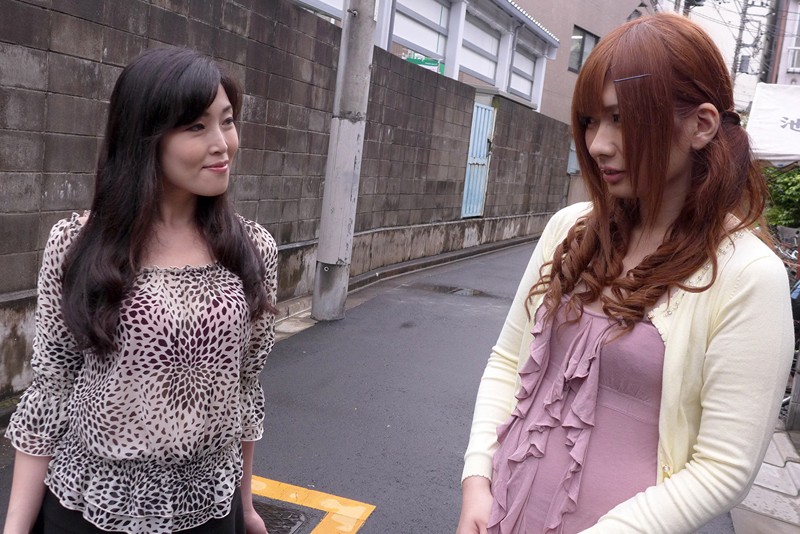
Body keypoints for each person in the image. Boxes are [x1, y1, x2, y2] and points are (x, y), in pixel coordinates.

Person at [456, 13, 793, 534]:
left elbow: (723, 468)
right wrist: (478, 478)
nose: (597, 144)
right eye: (591, 120)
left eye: (622, 118)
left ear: (701, 125)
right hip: (501, 512)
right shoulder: (571, 229)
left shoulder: (748, 275)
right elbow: (508, 361)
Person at [3, 47, 277, 534]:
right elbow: (52, 389)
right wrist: (15, 528)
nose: (222, 144)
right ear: (144, 136)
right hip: (88, 508)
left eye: (227, 121)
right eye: (196, 126)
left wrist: (246, 503)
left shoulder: (252, 250)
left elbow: (244, 388)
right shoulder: (77, 245)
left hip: (209, 511)